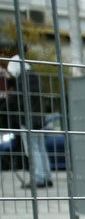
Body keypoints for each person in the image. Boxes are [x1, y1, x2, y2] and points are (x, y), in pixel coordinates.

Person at [2, 53, 52, 189]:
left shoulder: (23, 80)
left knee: (32, 149)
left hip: (28, 120)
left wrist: (5, 106)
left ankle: (39, 178)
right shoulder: (35, 77)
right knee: (41, 148)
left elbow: (17, 101)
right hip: (39, 120)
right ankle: (47, 176)